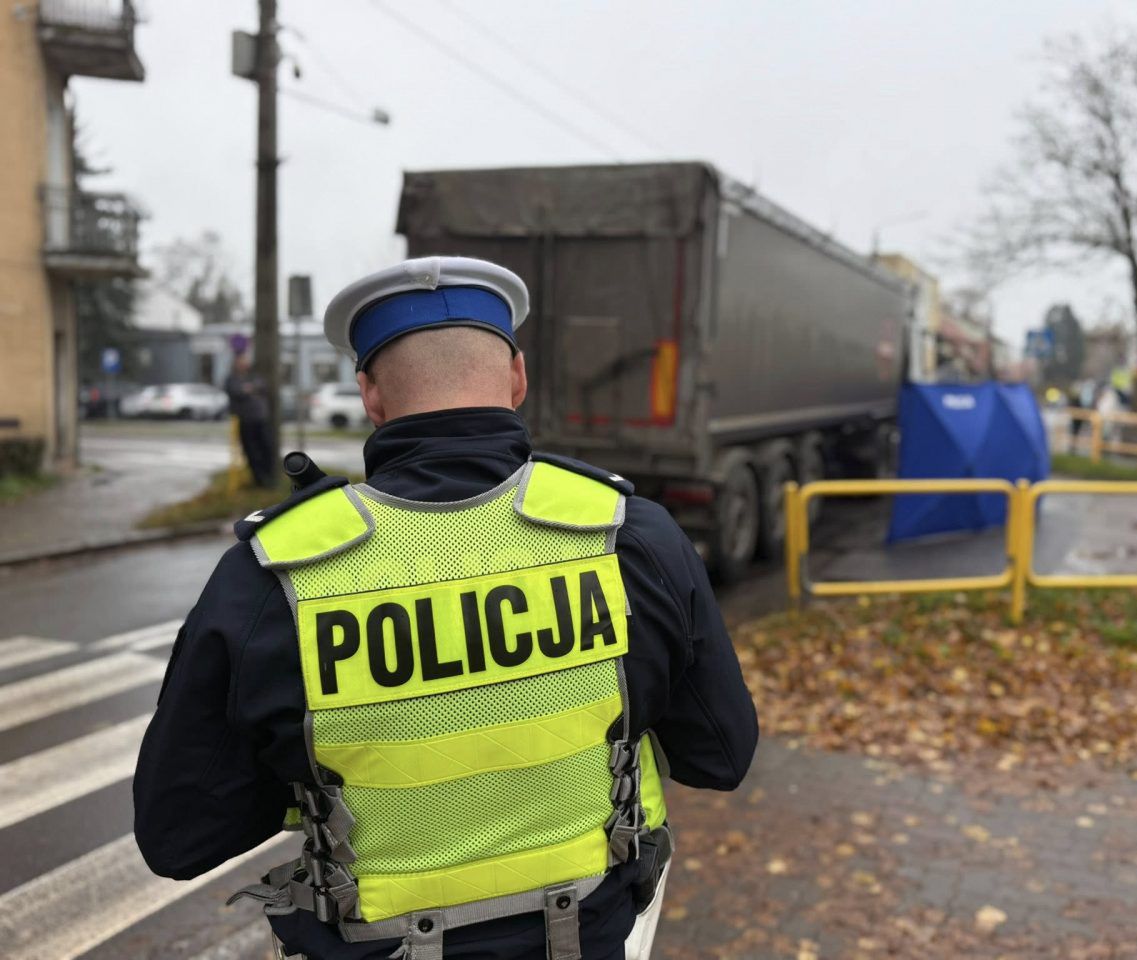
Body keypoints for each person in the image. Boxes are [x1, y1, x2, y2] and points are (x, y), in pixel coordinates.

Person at [135, 256, 758, 960]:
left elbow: (179, 835)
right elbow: (721, 753)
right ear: (517, 379)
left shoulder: (275, 574)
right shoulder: (627, 536)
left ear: (369, 395)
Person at [225, 352, 275, 487]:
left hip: (260, 419)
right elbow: (236, 392)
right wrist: (247, 390)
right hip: (245, 420)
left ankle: (268, 477)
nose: (243, 364)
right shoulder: (232, 379)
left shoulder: (254, 376)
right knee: (251, 451)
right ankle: (259, 479)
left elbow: (262, 387)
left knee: (266, 447)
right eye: (240, 361)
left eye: (244, 361)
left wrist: (248, 389)